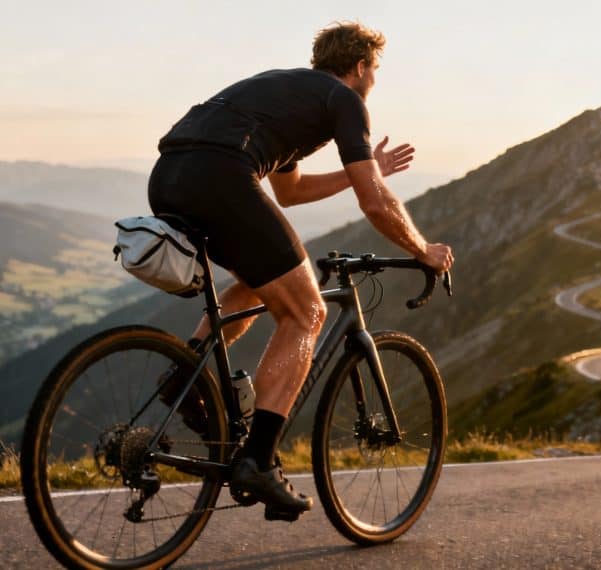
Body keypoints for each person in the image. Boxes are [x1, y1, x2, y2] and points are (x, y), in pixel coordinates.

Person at [148, 21, 454, 518]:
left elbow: (289, 192)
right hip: (222, 175)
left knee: (257, 281)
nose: (374, 79)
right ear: (359, 67)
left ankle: (186, 375)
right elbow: (374, 204)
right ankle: (259, 461)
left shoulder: (287, 91)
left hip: (169, 176)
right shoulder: (346, 100)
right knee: (308, 312)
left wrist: (367, 166)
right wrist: (423, 249)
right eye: (374, 69)